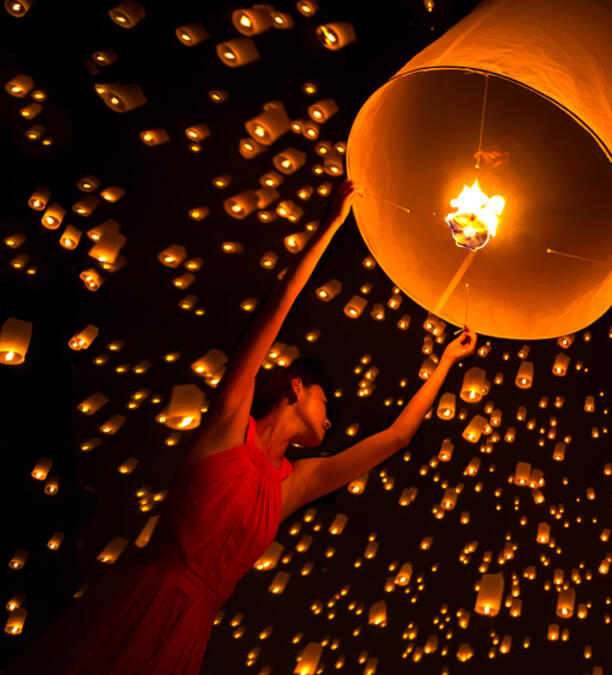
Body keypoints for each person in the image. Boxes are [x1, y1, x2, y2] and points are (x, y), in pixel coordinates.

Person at [0, 179, 478, 675]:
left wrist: (445, 362)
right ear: (295, 386)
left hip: (190, 633)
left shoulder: (296, 484)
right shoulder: (230, 422)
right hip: (142, 597)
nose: (332, 418)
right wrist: (329, 225)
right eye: (325, 400)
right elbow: (275, 310)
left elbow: (397, 437)